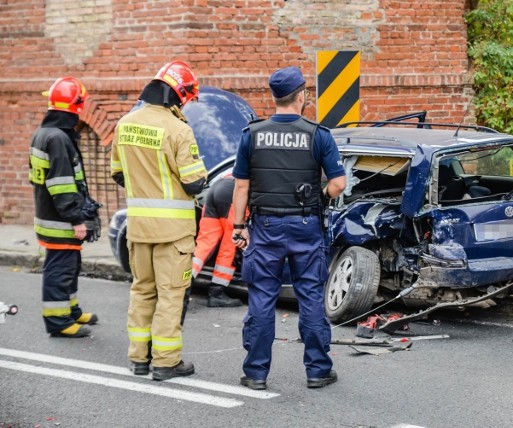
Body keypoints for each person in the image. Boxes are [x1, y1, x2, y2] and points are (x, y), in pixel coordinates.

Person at [231, 66, 346, 390]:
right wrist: (321, 196)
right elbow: (338, 184)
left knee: (262, 298)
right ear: (301, 96)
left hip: (265, 227)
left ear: (275, 97)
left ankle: (255, 373)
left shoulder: (252, 134)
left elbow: (241, 188)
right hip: (305, 226)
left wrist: (239, 227)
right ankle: (318, 370)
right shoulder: (318, 134)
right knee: (309, 297)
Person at [111, 61, 207, 381]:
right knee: (170, 294)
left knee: (142, 291)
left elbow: (119, 174)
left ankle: (139, 358)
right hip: (173, 232)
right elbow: (195, 183)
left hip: (138, 228)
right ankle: (166, 362)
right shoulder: (178, 129)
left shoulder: (125, 124)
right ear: (178, 93)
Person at [29, 77, 101, 339]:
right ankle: (58, 321)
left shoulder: (45, 133)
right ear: (77, 106)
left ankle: (70, 310)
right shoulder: (58, 138)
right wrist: (76, 219)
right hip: (61, 220)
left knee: (69, 266)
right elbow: (61, 184)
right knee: (60, 269)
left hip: (50, 216)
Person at [192, 175, 244, 307]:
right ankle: (217, 293)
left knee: (205, 242)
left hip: (216, 187)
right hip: (234, 192)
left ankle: (180, 285)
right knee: (230, 244)